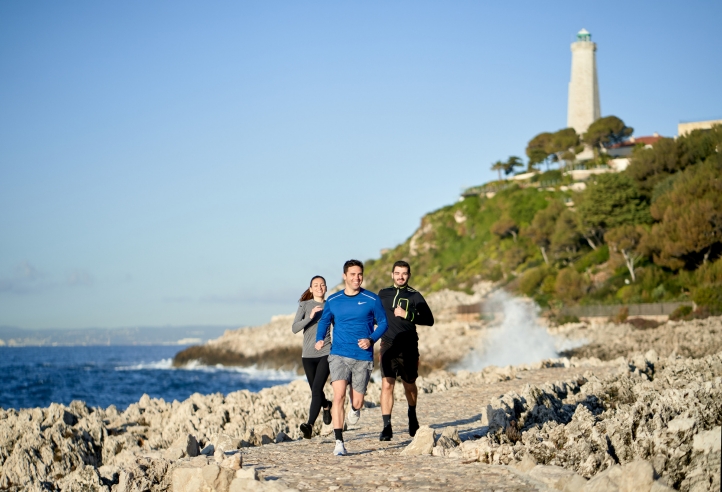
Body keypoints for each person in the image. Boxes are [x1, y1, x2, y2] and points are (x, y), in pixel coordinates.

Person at [314, 259, 388, 456]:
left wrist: (371, 339)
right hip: (338, 354)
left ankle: (355, 409)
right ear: (344, 276)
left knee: (357, 402)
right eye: (353, 274)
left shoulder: (372, 299)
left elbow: (382, 323)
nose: (357, 278)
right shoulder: (333, 299)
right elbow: (324, 321)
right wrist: (320, 338)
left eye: (360, 274)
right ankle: (339, 442)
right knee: (338, 396)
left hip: (362, 356)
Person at [377, 260, 434, 441]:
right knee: (387, 384)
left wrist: (407, 315)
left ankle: (412, 413)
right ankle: (387, 426)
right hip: (387, 344)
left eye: (404, 273)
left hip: (409, 345)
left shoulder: (415, 295)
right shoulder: (383, 294)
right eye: (397, 273)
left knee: (409, 384)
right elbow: (372, 314)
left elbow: (429, 319)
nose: (400, 276)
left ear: (408, 275)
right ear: (392, 274)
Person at [292, 275, 333, 439]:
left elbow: (341, 324)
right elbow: (295, 328)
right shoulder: (304, 305)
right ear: (311, 289)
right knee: (316, 390)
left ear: (326, 288)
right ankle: (326, 405)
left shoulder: (331, 305)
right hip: (308, 354)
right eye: (316, 285)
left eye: (322, 284)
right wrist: (311, 317)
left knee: (316, 389)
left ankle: (309, 425)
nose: (319, 287)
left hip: (326, 351)